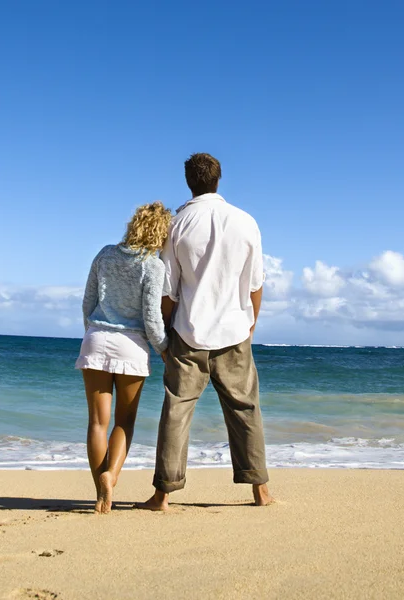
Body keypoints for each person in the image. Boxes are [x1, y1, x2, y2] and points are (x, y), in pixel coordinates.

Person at [139, 153, 274, 511]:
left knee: (177, 410)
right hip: (234, 328)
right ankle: (260, 491)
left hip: (189, 329)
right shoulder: (246, 222)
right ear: (219, 179)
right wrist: (251, 324)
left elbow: (168, 288)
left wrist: (166, 333)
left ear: (189, 181)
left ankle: (162, 495)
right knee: (245, 409)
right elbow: (256, 283)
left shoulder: (179, 223)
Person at [75, 202, 171, 514]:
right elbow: (152, 318)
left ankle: (100, 494)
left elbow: (88, 302)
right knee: (124, 422)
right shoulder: (153, 266)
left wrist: (93, 332)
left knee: (97, 423)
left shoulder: (104, 254)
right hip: (131, 346)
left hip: (96, 339)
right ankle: (111, 477)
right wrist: (165, 350)